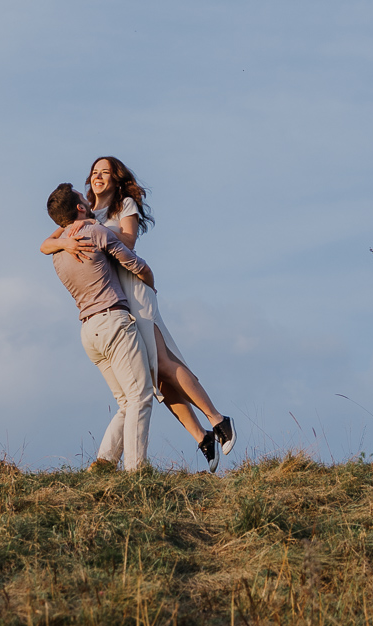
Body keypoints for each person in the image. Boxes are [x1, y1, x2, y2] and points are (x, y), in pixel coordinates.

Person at [43, 156, 235, 471]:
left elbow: (129, 241)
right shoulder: (84, 216)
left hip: (132, 289)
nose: (97, 176)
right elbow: (45, 244)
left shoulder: (121, 207)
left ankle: (217, 419)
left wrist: (92, 230)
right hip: (112, 298)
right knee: (151, 381)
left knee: (160, 364)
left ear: (117, 179)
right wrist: (66, 243)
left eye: (105, 172)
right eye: (94, 172)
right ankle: (201, 436)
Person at [43, 182, 157, 472]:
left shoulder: (57, 254)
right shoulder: (94, 231)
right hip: (113, 321)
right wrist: (150, 281)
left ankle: (105, 462)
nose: (88, 197)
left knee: (124, 402)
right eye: (84, 197)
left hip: (88, 331)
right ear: (81, 207)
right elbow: (132, 262)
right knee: (140, 397)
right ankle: (135, 470)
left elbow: (49, 242)